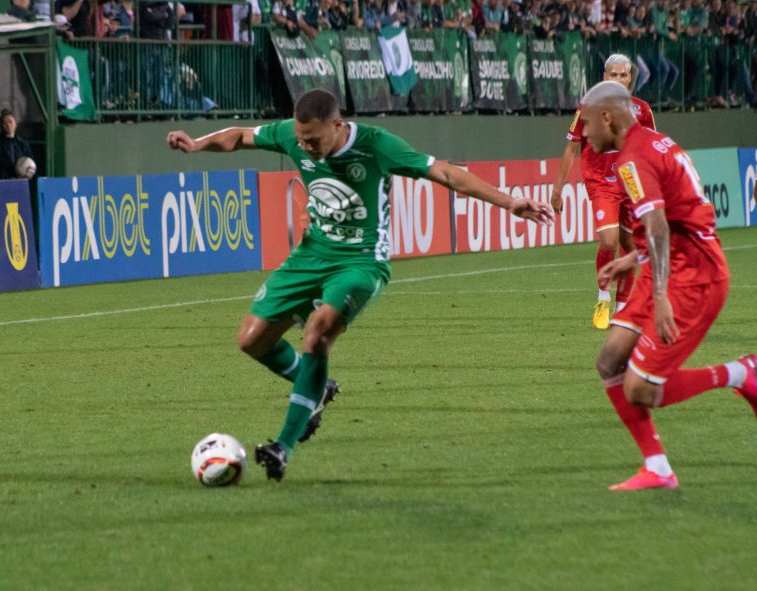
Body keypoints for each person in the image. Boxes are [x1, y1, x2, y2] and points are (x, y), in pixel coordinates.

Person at [167, 88, 553, 482]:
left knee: (319, 331)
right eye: (301, 140)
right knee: (251, 340)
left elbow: (446, 173)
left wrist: (509, 202)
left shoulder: (376, 145)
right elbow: (241, 136)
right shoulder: (292, 133)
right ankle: (316, 384)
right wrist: (198, 144)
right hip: (310, 254)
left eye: (313, 140)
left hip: (360, 261)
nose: (305, 147)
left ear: (337, 126)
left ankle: (283, 445)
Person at [580, 80, 757, 491]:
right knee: (609, 362)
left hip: (693, 277)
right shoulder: (652, 142)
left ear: (608, 117)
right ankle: (657, 468)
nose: (584, 135)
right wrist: (631, 258)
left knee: (639, 388)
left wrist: (659, 295)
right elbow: (669, 221)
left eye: (587, 124)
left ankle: (740, 372)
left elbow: (658, 226)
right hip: (671, 266)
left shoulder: (632, 161)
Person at [551, 54, 655, 330]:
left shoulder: (642, 110)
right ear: (604, 77)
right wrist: (557, 189)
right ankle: (603, 297)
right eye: (613, 75)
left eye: (624, 75)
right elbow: (570, 148)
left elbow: (651, 150)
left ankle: (622, 308)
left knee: (631, 246)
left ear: (630, 78)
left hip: (630, 183)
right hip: (601, 182)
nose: (619, 79)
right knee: (610, 241)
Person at [0, 109, 34, 181]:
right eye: (5, 123)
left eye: (10, 122)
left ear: (16, 124)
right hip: (2, 183)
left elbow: (29, 163)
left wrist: (28, 174)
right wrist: (9, 178)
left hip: (20, 183)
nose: (8, 125)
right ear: (1, 126)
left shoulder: (23, 145)